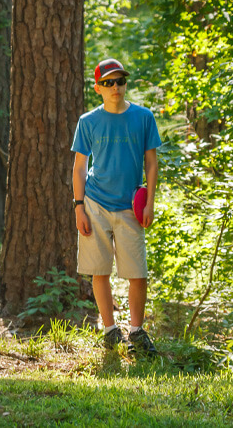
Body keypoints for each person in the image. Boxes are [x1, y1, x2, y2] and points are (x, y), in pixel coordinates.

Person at [71, 58, 162, 356]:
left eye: (120, 81)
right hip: (95, 203)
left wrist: (149, 201)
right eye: (108, 82)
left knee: (138, 272)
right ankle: (110, 331)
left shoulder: (143, 117)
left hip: (130, 206)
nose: (115, 87)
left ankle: (136, 331)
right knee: (99, 270)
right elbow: (80, 167)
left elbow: (151, 162)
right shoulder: (88, 121)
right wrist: (79, 207)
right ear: (97, 88)